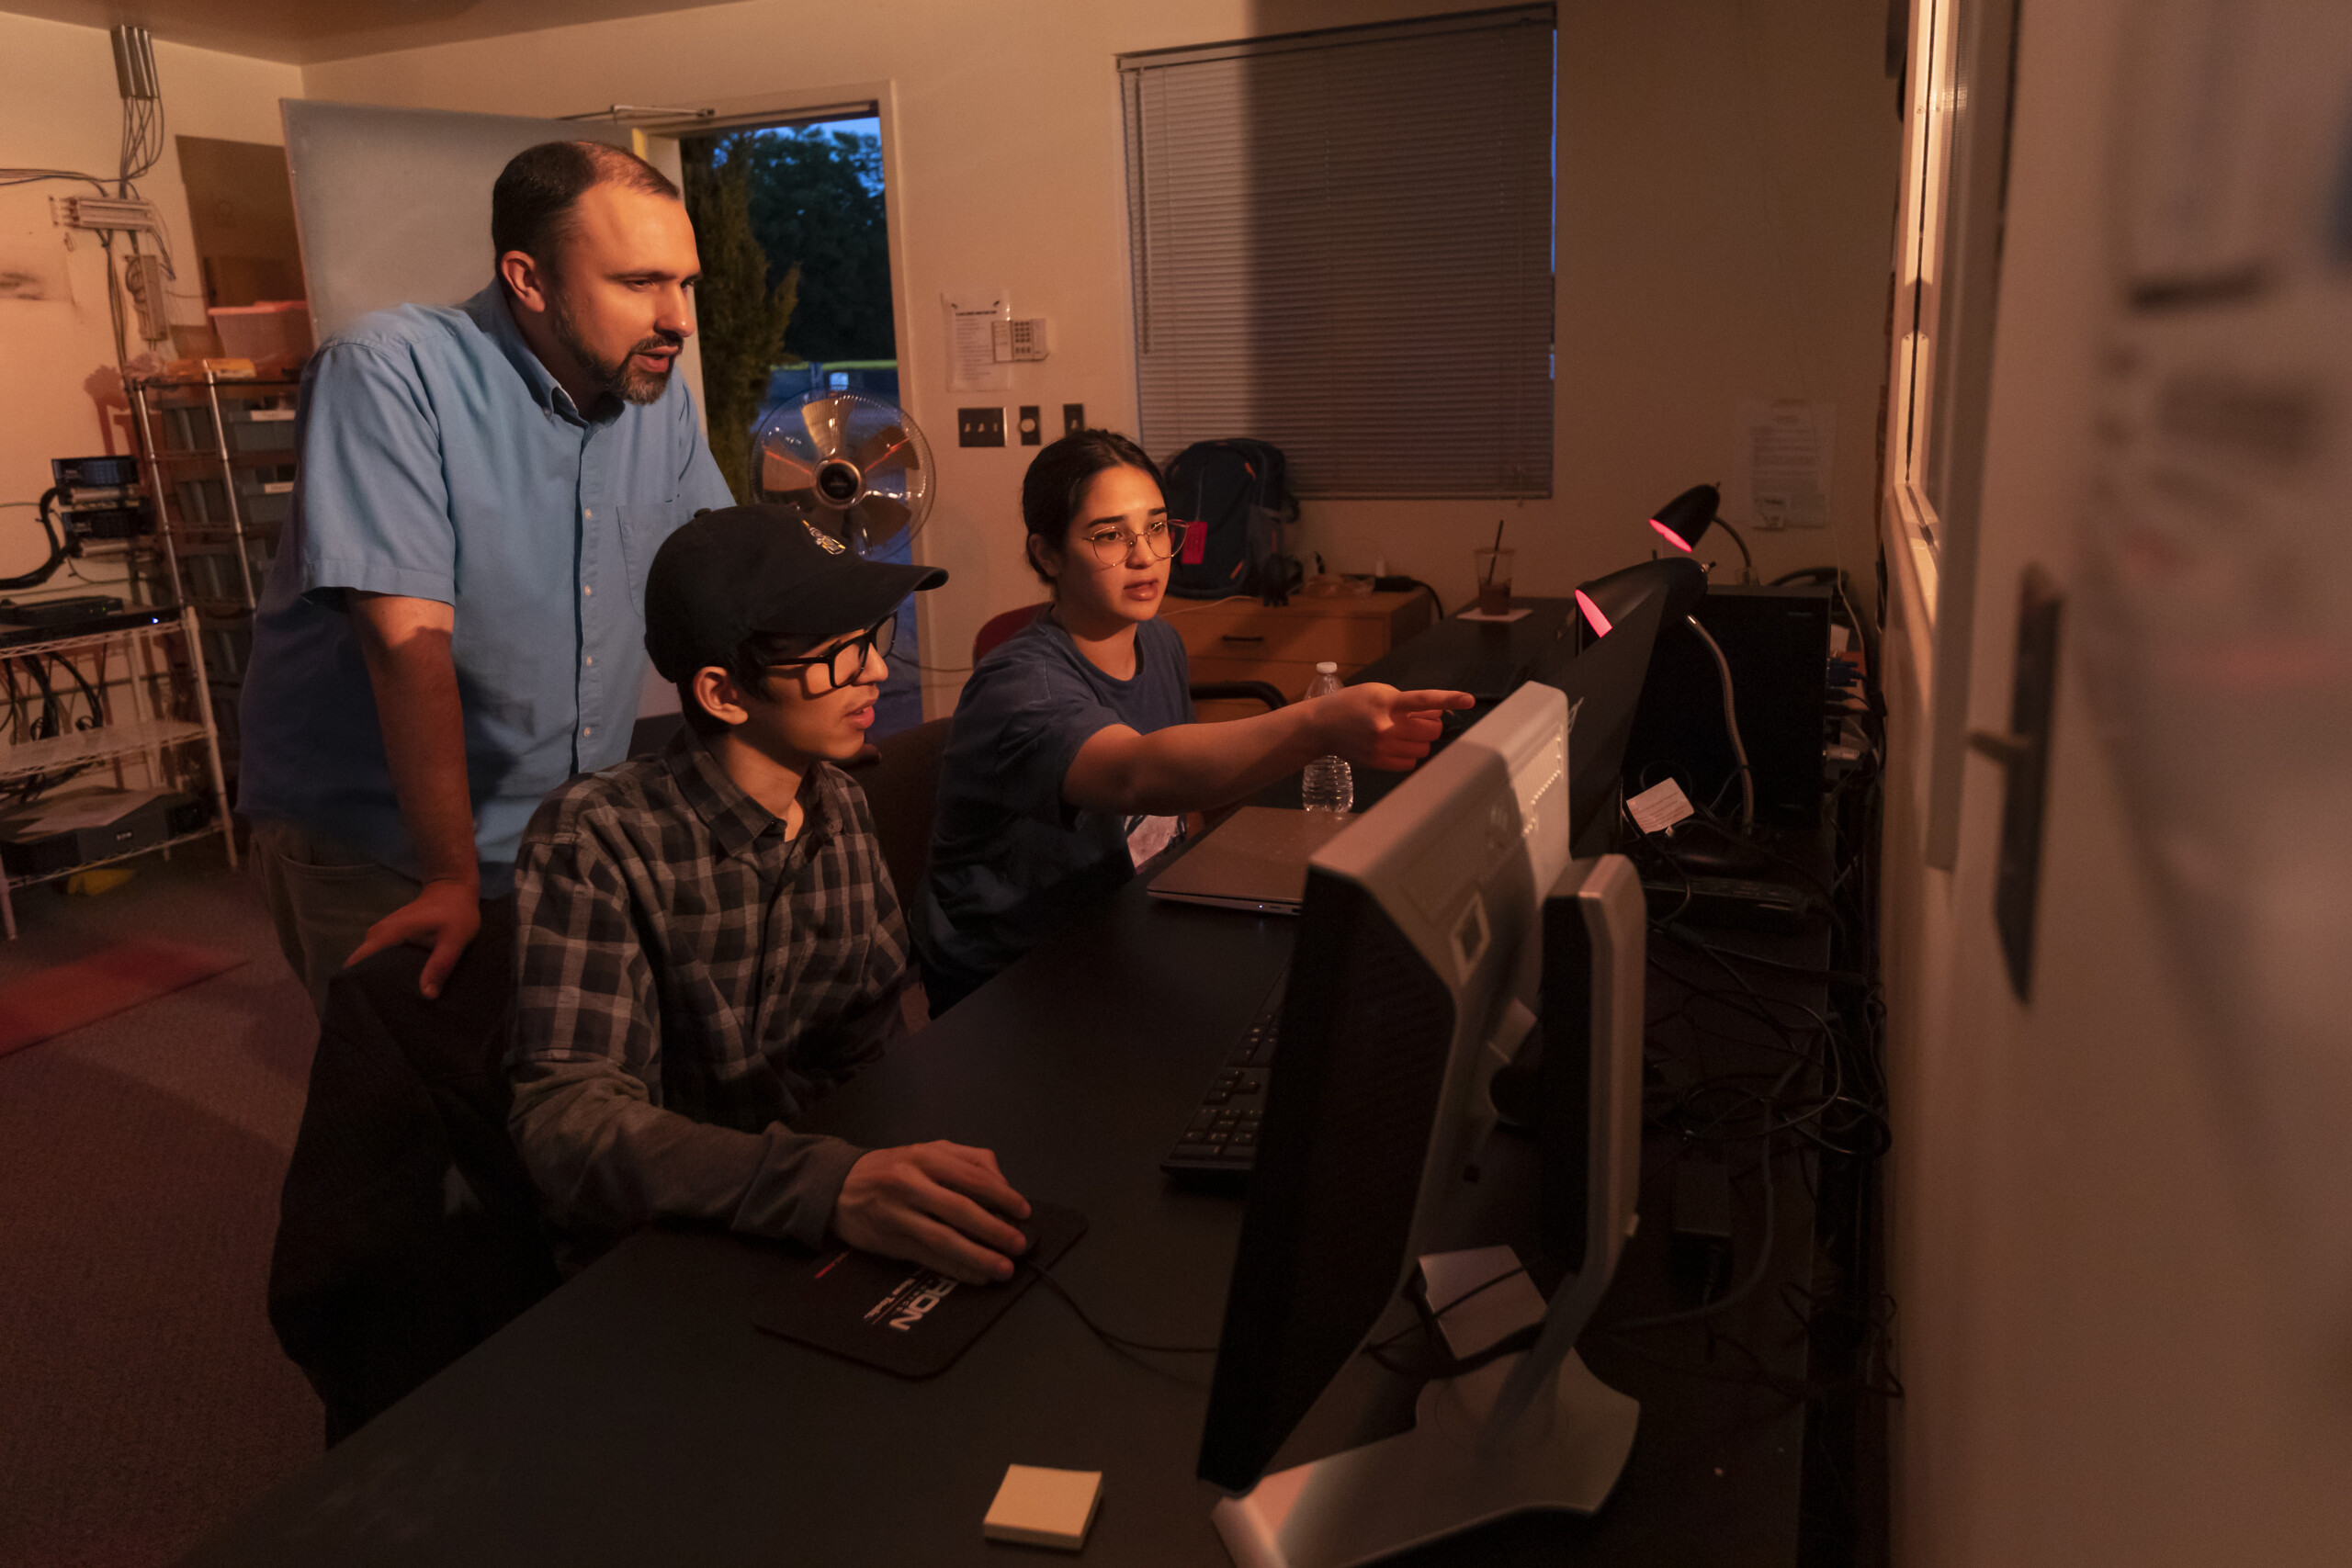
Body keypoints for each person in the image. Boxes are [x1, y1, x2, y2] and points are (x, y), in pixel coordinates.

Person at [238, 140, 736, 1012]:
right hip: (385, 841)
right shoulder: (388, 370)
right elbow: (407, 646)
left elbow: (724, 582)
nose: (679, 319)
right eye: (639, 282)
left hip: (567, 832)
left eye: (685, 284)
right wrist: (448, 875)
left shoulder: (659, 397)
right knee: (416, 1108)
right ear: (528, 278)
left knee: (554, 1097)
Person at [507, 505, 1033, 1285]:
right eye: (837, 656)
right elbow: (568, 1124)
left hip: (819, 1215)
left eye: (872, 640)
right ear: (723, 694)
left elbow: (869, 1045)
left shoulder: (842, 803)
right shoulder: (596, 837)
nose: (877, 673)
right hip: (670, 1248)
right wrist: (824, 1184)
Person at [915, 430, 1472, 1010]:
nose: (1145, 555)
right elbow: (1136, 776)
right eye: (1109, 536)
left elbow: (1183, 816)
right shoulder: (1020, 687)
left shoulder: (1159, 641)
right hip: (1016, 985)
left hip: (1129, 928)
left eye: (1156, 527)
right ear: (1047, 554)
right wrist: (1319, 724)